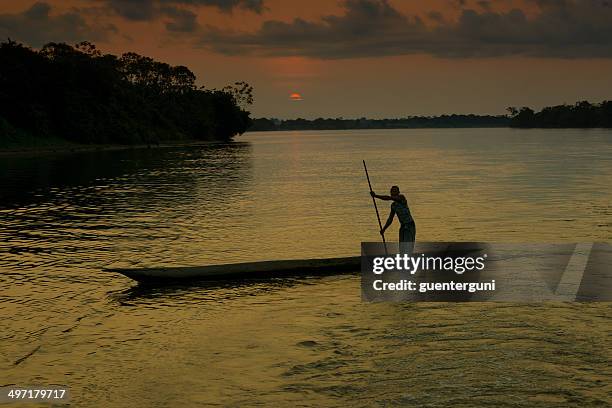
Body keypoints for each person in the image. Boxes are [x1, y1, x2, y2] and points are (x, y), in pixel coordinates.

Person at [371, 186, 416, 255]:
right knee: (402, 248)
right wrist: (384, 229)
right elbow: (390, 219)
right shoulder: (393, 205)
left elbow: (388, 198)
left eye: (395, 191)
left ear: (398, 192)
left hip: (409, 225)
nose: (393, 192)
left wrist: (375, 196)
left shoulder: (402, 198)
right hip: (403, 226)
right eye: (392, 191)